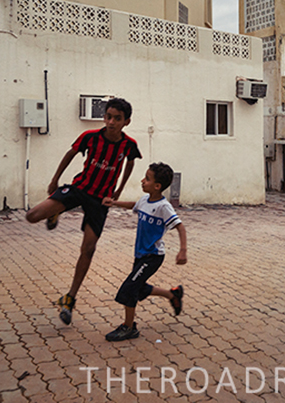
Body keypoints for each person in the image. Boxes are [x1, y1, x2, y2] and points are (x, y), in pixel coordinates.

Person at [25, 97, 142, 325]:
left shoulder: (129, 145)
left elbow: (131, 162)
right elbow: (70, 154)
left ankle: (70, 298)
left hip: (100, 201)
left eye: (117, 119)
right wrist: (55, 180)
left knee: (88, 249)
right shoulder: (90, 137)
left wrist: (118, 190)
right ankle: (54, 212)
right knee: (32, 216)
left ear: (126, 122)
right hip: (79, 189)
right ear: (104, 117)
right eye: (108, 117)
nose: (111, 122)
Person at [102, 162, 187, 341]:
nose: (142, 181)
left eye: (147, 179)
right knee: (139, 288)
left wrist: (182, 251)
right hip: (140, 254)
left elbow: (180, 227)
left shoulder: (164, 207)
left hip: (153, 256)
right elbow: (134, 205)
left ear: (157, 186)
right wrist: (114, 203)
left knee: (129, 289)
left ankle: (129, 327)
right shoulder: (144, 200)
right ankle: (173, 294)